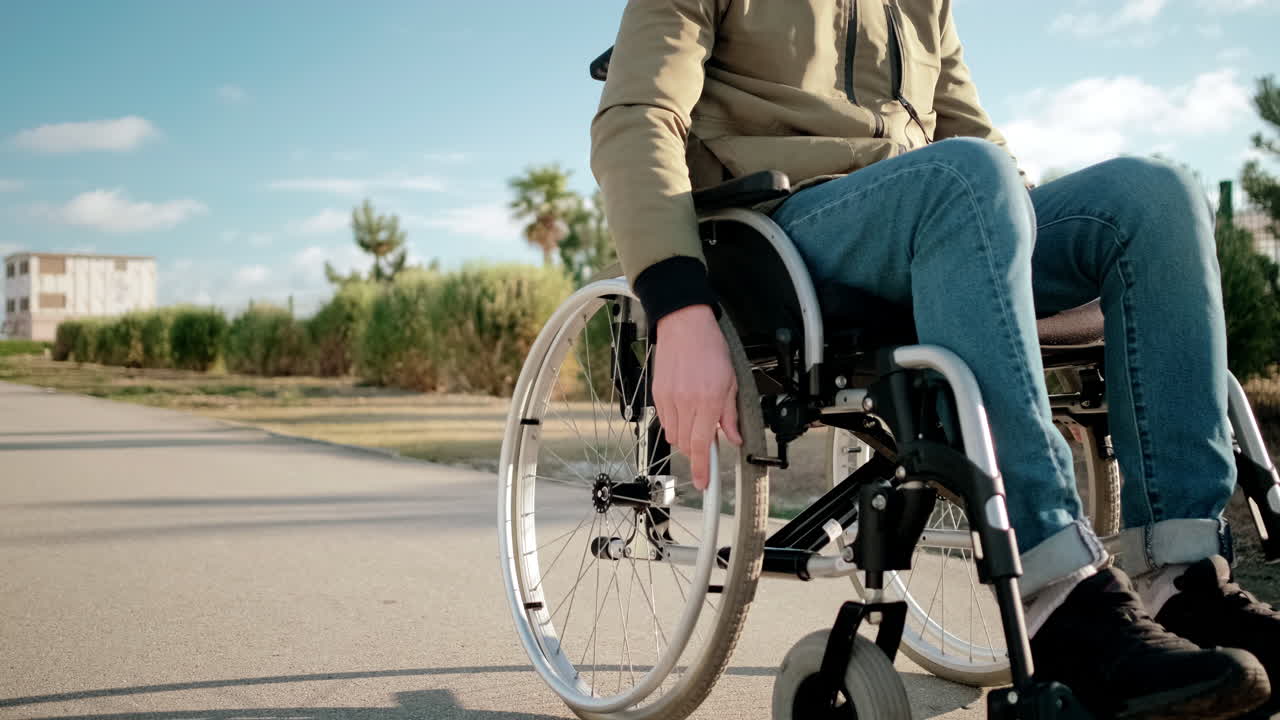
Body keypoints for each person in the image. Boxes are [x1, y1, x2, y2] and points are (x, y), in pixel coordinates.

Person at [590, 1, 1280, 718]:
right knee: (961, 177)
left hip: (943, 204)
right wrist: (678, 305)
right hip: (788, 227)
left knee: (1154, 196)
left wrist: (1020, 253)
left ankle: (1183, 581)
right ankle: (1058, 597)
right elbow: (633, 119)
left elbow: (981, 145)